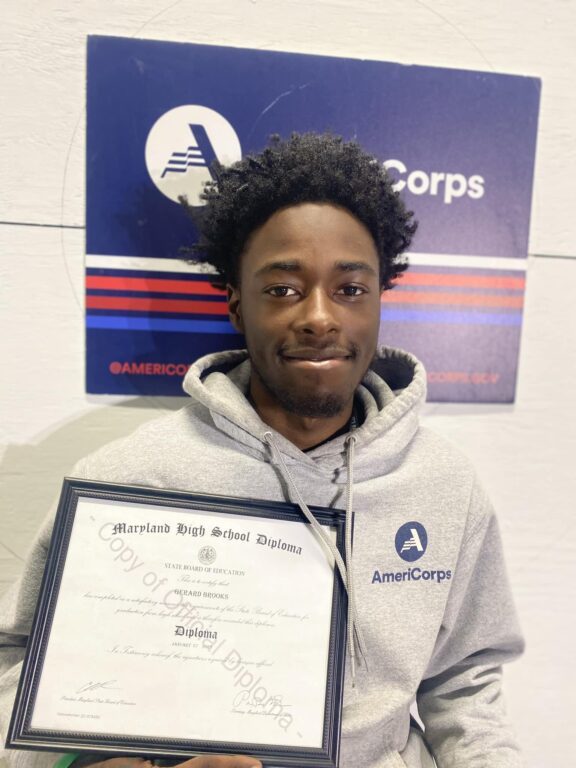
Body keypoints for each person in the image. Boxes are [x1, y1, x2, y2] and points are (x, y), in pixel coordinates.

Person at [0, 133, 524, 768]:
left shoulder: (444, 486)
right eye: (282, 289)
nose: (319, 317)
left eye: (351, 289)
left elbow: (463, 683)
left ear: (380, 299)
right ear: (237, 305)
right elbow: (25, 670)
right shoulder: (133, 478)